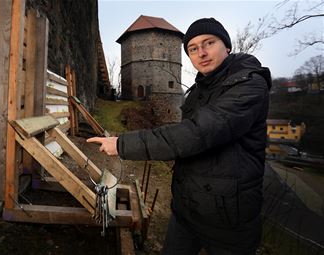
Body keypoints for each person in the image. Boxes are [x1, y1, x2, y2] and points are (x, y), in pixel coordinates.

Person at [87, 17, 271, 255]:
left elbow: (196, 134)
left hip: (229, 220)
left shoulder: (249, 85)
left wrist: (122, 144)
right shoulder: (197, 91)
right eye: (193, 49)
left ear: (227, 46)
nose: (201, 53)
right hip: (186, 211)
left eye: (209, 43)